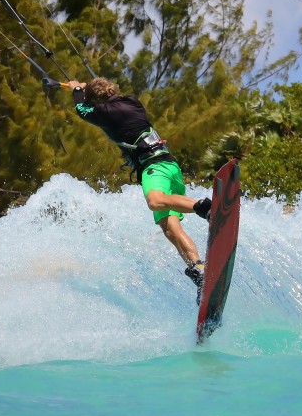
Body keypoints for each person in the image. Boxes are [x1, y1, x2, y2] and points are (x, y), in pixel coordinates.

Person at [67, 77, 211, 302]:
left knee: (154, 200)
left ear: (96, 100)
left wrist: (77, 89)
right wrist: (89, 89)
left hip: (154, 168)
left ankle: (206, 208)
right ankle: (199, 269)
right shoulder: (133, 102)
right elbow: (106, 102)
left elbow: (81, 110)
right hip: (171, 166)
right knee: (170, 227)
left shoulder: (104, 113)